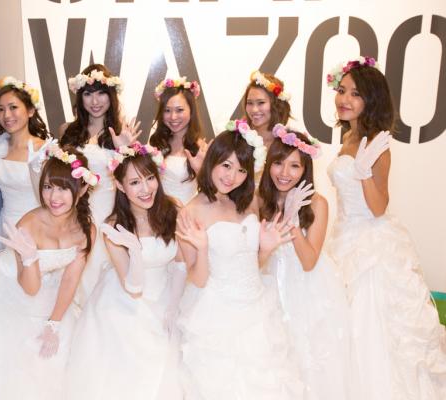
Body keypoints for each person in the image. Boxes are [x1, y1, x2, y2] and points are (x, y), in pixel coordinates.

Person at [326, 56, 446, 399]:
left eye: (355, 94)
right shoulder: (349, 136)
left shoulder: (378, 143)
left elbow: (378, 207)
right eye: (342, 91)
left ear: (372, 100)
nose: (344, 99)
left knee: (371, 327)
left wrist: (364, 174)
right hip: (343, 238)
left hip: (372, 247)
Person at [0, 144, 96, 400]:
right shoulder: (29, 224)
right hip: (13, 285)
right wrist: (30, 258)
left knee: (55, 361)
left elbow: (71, 278)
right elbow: (29, 288)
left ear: (82, 188)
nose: (53, 197)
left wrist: (54, 323)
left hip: (50, 287)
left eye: (63, 188)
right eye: (48, 186)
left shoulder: (86, 229)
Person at [176, 122, 303, 399]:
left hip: (257, 309)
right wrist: (202, 248)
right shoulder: (190, 212)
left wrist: (265, 249)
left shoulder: (250, 202)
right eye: (226, 165)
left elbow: (251, 265)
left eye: (241, 170)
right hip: (217, 314)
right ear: (212, 162)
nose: (232, 176)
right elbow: (197, 279)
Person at [65, 142, 184, 400]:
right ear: (120, 186)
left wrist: (174, 306)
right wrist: (136, 253)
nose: (146, 189)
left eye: (150, 178)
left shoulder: (173, 209)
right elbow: (133, 288)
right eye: (135, 183)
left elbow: (180, 262)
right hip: (126, 303)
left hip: (168, 294)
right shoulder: (113, 226)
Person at [259, 124, 355, 399]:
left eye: (294, 166)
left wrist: (291, 221)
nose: (284, 173)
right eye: (278, 163)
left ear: (305, 170)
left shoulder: (317, 203)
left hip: (306, 288)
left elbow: (309, 260)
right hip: (268, 284)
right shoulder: (259, 200)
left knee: (308, 358)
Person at [61, 63, 140, 305]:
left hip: (110, 213)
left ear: (111, 95)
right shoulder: (67, 131)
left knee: (105, 274)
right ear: (80, 96)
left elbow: (132, 179)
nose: (95, 101)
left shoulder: (123, 132)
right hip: (75, 213)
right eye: (88, 94)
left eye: (101, 93)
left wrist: (124, 149)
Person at [0, 76, 48, 247]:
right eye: (0, 109)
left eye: (13, 107)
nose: (6, 115)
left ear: (30, 110)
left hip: (37, 228)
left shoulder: (44, 150)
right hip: (7, 225)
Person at [149, 77, 207, 205]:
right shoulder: (156, 142)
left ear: (191, 110)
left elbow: (211, 191)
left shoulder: (200, 149)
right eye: (167, 110)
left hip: (186, 212)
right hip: (157, 211)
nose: (173, 117)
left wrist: (201, 171)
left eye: (179, 110)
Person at [243, 70, 292, 148]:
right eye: (249, 103)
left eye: (261, 102)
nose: (254, 110)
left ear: (276, 104)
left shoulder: (290, 144)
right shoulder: (235, 139)